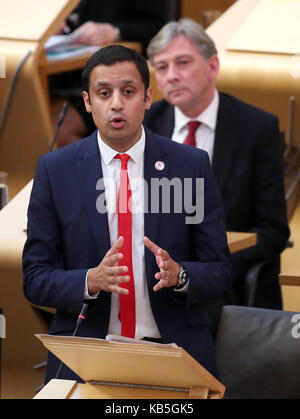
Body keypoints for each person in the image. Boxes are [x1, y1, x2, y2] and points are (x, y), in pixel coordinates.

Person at [23, 45, 231, 383]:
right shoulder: (55, 170)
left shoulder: (189, 165)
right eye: (104, 93)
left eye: (128, 91)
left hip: (173, 350)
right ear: (88, 102)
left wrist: (180, 275)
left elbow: (221, 270)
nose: (116, 103)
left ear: (148, 98)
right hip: (87, 354)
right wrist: (88, 280)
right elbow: (34, 280)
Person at [144, 19, 290, 312]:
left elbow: (272, 231)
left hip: (223, 281)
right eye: (161, 67)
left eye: (182, 63)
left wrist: (204, 270)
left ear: (212, 67)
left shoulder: (256, 128)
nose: (171, 75)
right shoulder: (144, 126)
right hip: (152, 274)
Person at [50, 0, 167, 148]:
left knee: (55, 130)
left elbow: (160, 29)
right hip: (51, 81)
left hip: (102, 83)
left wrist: (115, 30)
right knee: (31, 123)